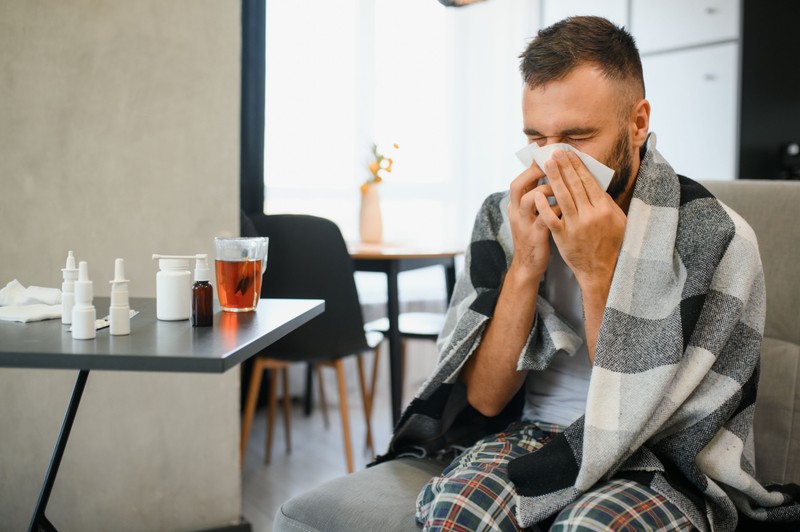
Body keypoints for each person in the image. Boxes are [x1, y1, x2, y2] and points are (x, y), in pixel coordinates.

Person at [377, 16, 800, 531]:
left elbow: (641, 421)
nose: (553, 161)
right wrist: (526, 265)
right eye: (537, 138)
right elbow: (486, 400)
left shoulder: (714, 236)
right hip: (535, 434)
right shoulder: (503, 218)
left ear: (637, 123)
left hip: (659, 457)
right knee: (454, 513)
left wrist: (598, 271)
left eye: (577, 137)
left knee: (591, 526)